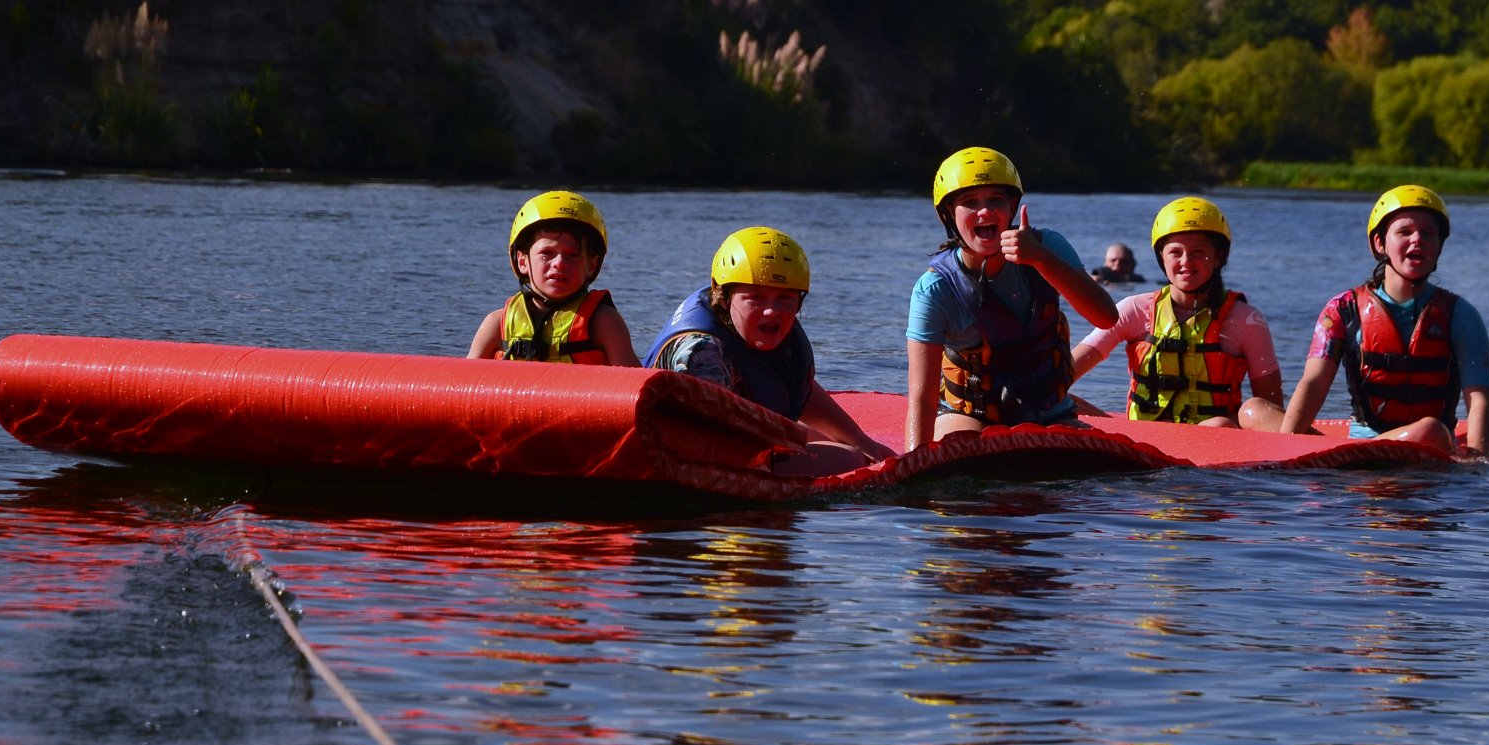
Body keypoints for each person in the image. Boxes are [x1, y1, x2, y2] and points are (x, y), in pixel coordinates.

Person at [905, 146, 1119, 451]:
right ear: (949, 216)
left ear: (1012, 207)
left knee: (1093, 462)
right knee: (959, 451)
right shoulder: (934, 290)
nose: (985, 211)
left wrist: (1040, 259)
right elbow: (922, 397)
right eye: (969, 202)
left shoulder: (1049, 248)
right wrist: (915, 466)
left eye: (996, 200)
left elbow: (1106, 317)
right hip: (972, 417)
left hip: (1050, 414)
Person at [645, 226, 887, 468]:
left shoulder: (756, 325)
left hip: (737, 437)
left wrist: (860, 440)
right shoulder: (701, 353)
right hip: (694, 456)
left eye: (785, 298)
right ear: (723, 293)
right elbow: (710, 444)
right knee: (850, 459)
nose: (772, 311)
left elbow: (797, 387)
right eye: (755, 298)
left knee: (855, 448)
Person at [1280, 185, 1489, 457]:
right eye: (1404, 232)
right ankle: (1348, 454)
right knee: (1254, 411)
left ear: (1439, 245)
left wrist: (1476, 461)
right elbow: (1313, 384)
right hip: (1359, 451)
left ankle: (1342, 455)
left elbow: (1479, 401)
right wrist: (1285, 452)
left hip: (1427, 447)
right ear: (1379, 243)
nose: (1418, 240)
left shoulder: (1461, 315)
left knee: (1430, 429)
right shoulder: (1342, 310)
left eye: (1428, 234)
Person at [1072, 197, 1286, 431]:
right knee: (1053, 397)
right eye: (1175, 252)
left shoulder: (1246, 320)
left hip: (1219, 438)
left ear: (1219, 256)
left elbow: (1271, 408)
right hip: (1140, 439)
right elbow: (1064, 374)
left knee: (1250, 411)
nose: (1186, 262)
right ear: (1161, 257)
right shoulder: (1133, 309)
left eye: (1198, 252)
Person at [467, 190, 639, 365]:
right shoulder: (496, 324)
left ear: (591, 266)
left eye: (572, 255)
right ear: (522, 262)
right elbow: (464, 382)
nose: (560, 263)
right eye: (547, 253)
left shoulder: (604, 323)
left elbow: (636, 385)